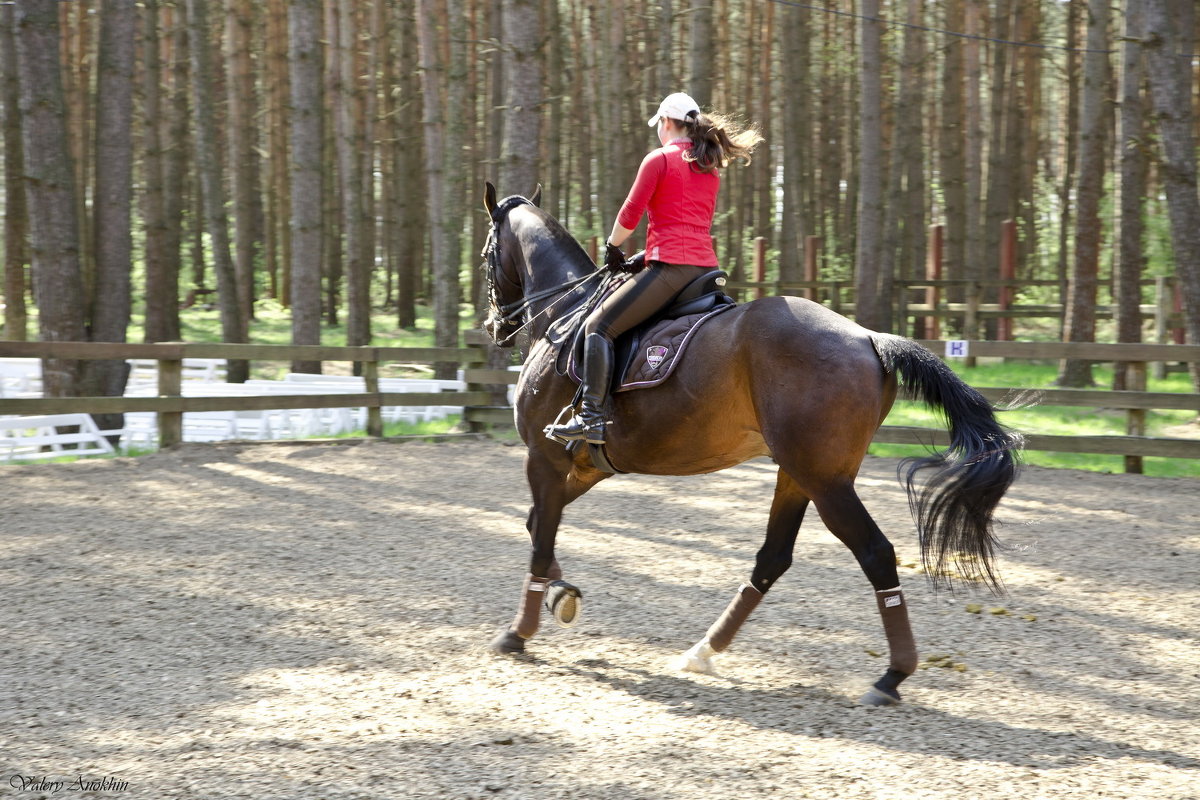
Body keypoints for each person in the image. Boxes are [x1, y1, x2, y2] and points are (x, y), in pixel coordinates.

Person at [548, 92, 762, 445]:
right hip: (702, 268)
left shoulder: (659, 160)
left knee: (598, 326)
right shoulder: (708, 168)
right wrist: (645, 255)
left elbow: (630, 214)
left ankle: (592, 419)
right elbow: (687, 225)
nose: (658, 132)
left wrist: (613, 246)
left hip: (672, 269)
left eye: (659, 125)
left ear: (666, 122)